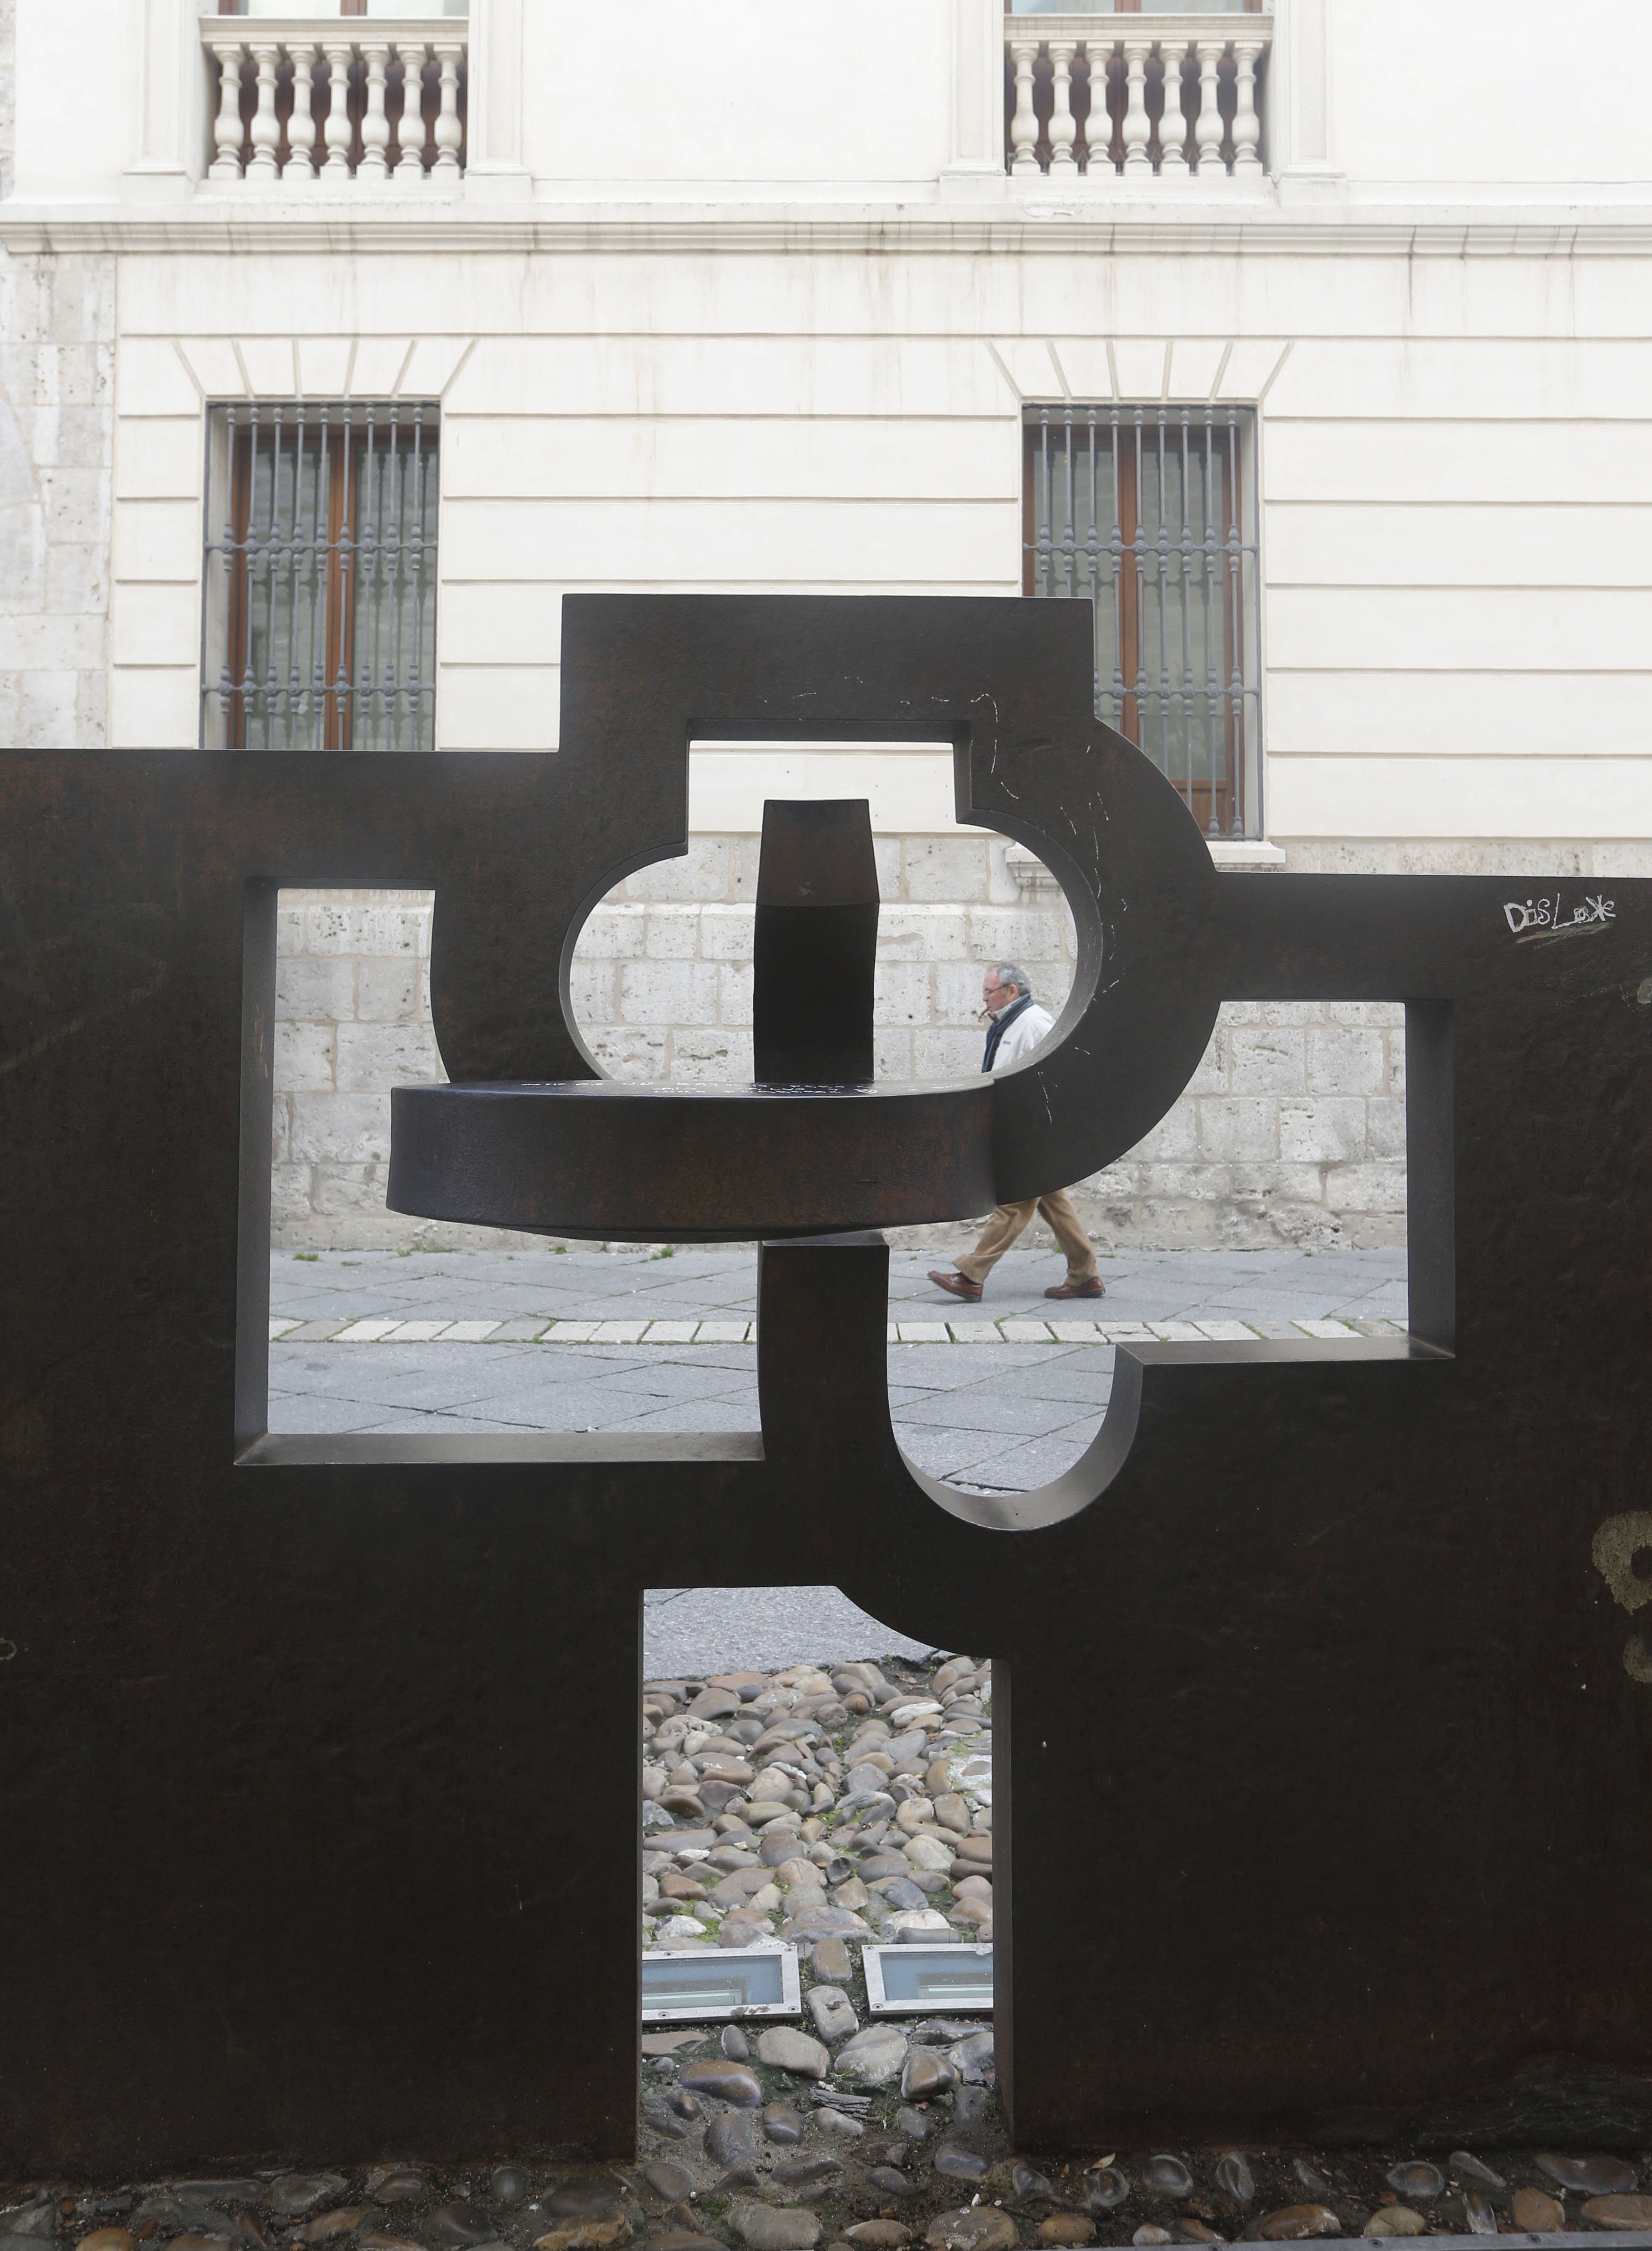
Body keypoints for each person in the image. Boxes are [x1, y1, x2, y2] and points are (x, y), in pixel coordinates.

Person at [928, 961, 1104, 1304]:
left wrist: (1043, 1128)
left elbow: (1061, 1074)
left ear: (1012, 991)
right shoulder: (1010, 1023)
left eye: (989, 991)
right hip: (1026, 1129)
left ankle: (971, 1275)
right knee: (1054, 1202)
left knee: (1013, 1204)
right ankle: (1085, 1274)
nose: (985, 998)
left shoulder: (1034, 1023)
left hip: (1034, 1132)